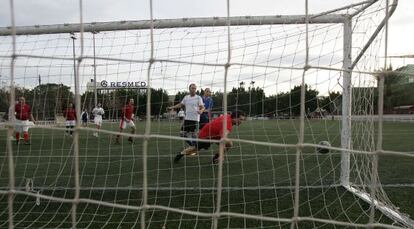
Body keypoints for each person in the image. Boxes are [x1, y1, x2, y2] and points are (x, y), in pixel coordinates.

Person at [174, 110, 246, 164]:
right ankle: (180, 154)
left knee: (229, 143)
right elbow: (222, 140)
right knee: (195, 149)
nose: (242, 122)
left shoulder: (229, 117)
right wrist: (222, 156)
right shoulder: (228, 124)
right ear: (235, 118)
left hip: (215, 134)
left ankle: (215, 158)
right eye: (241, 119)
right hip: (206, 135)